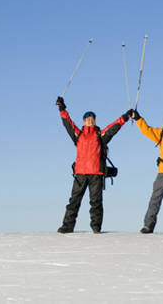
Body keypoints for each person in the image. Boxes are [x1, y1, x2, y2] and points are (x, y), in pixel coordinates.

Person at [55, 96, 132, 234]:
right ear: (83, 121)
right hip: (80, 174)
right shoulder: (78, 134)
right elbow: (68, 123)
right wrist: (62, 108)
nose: (90, 120)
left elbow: (114, 127)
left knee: (96, 202)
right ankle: (67, 226)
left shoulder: (100, 135)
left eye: (92, 119)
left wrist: (125, 117)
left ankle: (96, 227)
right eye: (87, 119)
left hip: (96, 173)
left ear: (95, 121)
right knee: (74, 201)